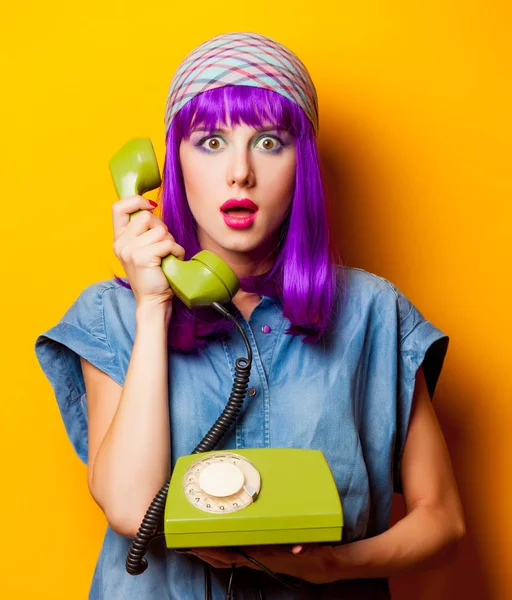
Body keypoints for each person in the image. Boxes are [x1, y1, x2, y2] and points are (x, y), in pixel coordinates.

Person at [35, 31, 465, 599]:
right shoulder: (111, 314)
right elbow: (133, 509)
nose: (240, 172)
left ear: (302, 163)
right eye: (210, 142)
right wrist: (153, 306)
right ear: (170, 163)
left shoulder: (373, 314)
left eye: (268, 142)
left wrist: (333, 566)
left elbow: (443, 520)